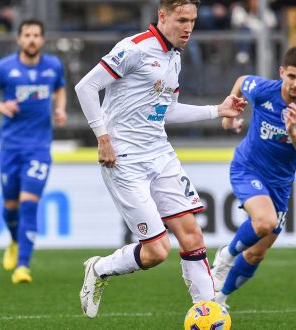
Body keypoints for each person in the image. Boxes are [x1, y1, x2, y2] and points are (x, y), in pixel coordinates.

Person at [74, 0, 247, 319]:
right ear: (162, 16)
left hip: (160, 156)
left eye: (193, 21)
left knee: (192, 234)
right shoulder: (134, 48)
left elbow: (165, 111)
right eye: (182, 20)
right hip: (123, 158)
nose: (189, 28)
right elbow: (86, 87)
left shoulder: (174, 59)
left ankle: (206, 311)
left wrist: (217, 111)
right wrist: (103, 138)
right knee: (156, 252)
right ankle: (100, 268)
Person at [210, 46, 296, 308]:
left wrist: (293, 131)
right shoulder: (264, 90)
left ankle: (219, 300)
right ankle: (225, 256)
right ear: (282, 73)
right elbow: (242, 82)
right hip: (248, 167)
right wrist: (229, 116)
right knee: (264, 222)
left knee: (256, 254)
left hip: (280, 184)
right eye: (292, 76)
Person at [0, 19, 67, 284]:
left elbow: (60, 88)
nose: (31, 39)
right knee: (10, 207)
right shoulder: (4, 68)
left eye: (36, 35)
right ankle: (14, 242)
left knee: (29, 204)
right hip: (10, 148)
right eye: (27, 35)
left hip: (38, 148)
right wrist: (2, 107)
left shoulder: (53, 66)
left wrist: (60, 108)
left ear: (42, 40)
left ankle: (23, 267)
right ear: (18, 39)